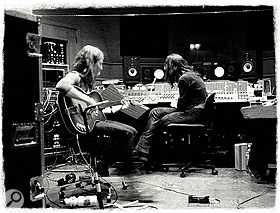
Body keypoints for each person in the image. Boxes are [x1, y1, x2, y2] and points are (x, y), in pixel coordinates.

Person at [56, 45, 138, 176]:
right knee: (127, 134)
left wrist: (118, 107)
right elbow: (61, 85)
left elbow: (96, 113)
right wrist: (88, 101)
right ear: (91, 63)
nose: (102, 67)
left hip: (91, 123)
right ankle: (106, 165)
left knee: (132, 132)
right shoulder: (75, 76)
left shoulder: (88, 84)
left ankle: (104, 165)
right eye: (100, 63)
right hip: (82, 125)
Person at [133, 53, 208, 164]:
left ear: (174, 67)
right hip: (193, 110)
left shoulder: (184, 78)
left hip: (192, 113)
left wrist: (175, 103)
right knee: (155, 112)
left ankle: (152, 155)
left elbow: (182, 105)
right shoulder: (191, 75)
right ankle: (142, 149)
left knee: (159, 122)